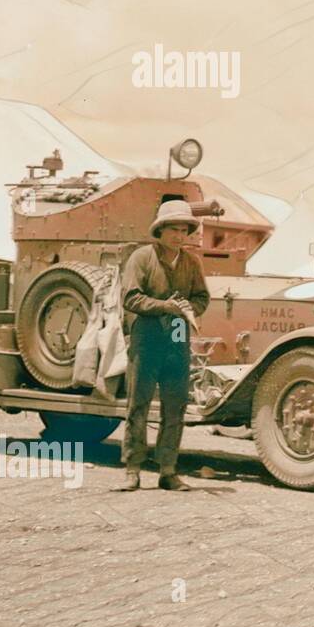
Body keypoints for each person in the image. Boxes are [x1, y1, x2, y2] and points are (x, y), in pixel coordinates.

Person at [117, 200, 210, 491]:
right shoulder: (142, 258)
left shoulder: (192, 262)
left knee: (176, 404)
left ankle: (168, 471)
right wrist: (164, 306)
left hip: (179, 335)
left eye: (184, 230)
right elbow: (131, 298)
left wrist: (186, 308)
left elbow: (202, 298)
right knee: (139, 404)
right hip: (146, 334)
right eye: (173, 229)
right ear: (160, 230)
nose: (179, 235)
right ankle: (132, 470)